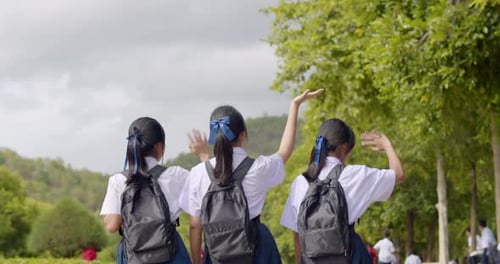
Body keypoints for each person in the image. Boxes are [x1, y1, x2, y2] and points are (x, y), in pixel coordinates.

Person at [179, 89, 323, 264]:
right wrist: (295, 106)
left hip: (217, 252)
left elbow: (195, 225)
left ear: (213, 138)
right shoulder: (258, 168)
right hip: (257, 250)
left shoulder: (198, 172)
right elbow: (285, 151)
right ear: (243, 134)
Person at [280, 118, 404, 264]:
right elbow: (399, 174)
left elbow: (297, 234)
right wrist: (387, 146)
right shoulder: (355, 174)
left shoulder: (300, 181)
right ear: (344, 147)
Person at [100, 117, 209, 264]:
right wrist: (204, 156)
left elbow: (112, 226)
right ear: (159, 147)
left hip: (133, 255)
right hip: (170, 253)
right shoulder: (175, 175)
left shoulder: (118, 181)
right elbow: (209, 190)